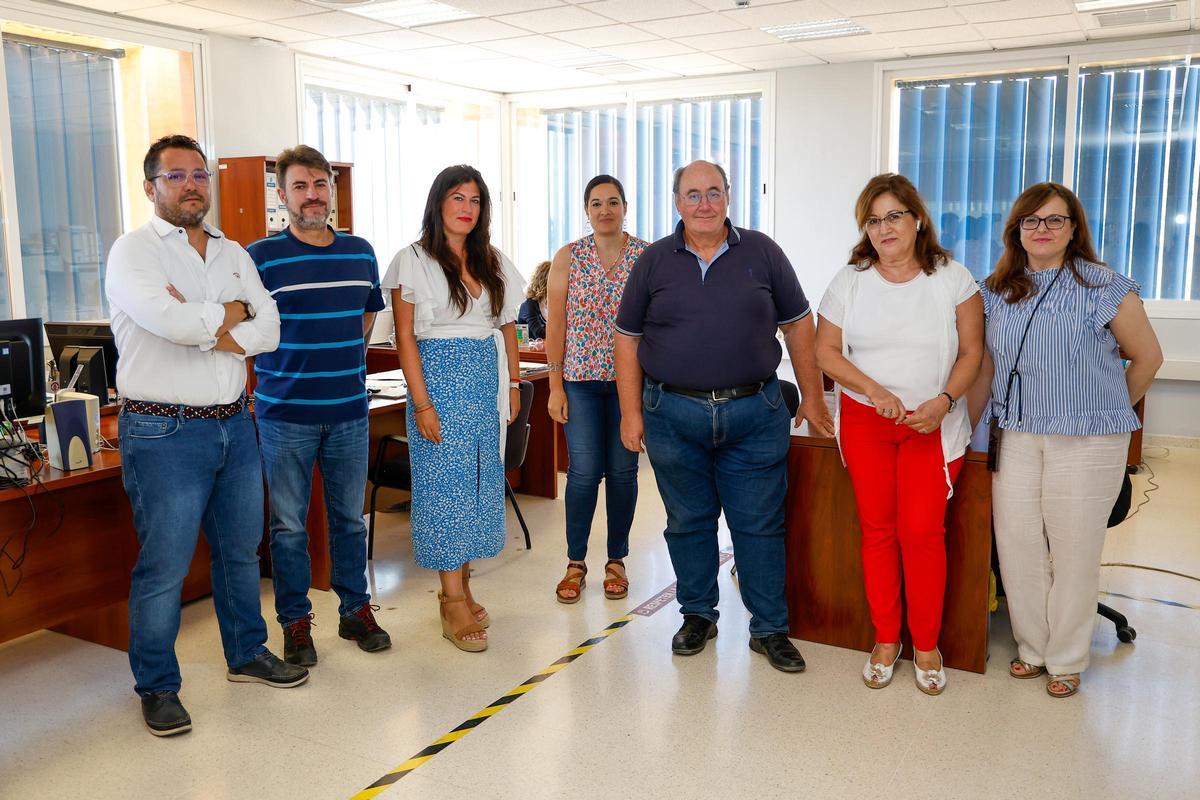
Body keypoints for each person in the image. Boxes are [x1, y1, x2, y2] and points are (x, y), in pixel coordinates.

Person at [105, 134, 305, 737]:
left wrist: (212, 319)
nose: (192, 185)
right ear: (151, 188)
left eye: (199, 174)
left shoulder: (232, 251)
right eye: (176, 176)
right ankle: (159, 687)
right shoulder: (132, 252)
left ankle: (245, 653)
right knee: (164, 566)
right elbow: (164, 319)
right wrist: (231, 313)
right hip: (163, 431)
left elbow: (270, 327)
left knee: (241, 553)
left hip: (234, 424)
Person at [614, 160, 833, 673]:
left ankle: (769, 628)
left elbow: (800, 326)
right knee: (688, 523)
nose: (704, 204)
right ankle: (697, 616)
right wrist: (630, 413)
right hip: (672, 415)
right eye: (693, 195)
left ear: (729, 197)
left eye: (714, 193)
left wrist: (814, 396)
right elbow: (627, 341)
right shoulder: (652, 262)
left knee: (758, 525)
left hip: (754, 413)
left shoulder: (762, 252)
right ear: (676, 202)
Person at [968, 182, 1162, 698]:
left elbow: (1147, 358)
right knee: (1017, 546)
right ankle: (1032, 648)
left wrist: (1109, 410)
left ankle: (1068, 657)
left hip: (1088, 440)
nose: (1042, 230)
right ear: (1016, 230)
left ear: (1074, 228)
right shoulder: (996, 289)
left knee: (1075, 549)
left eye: (1055, 220)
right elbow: (986, 367)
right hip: (1016, 434)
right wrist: (964, 425)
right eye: (1031, 221)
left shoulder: (1104, 285)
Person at [815, 173, 983, 695]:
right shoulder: (850, 280)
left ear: (917, 219)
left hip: (932, 422)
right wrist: (874, 391)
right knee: (879, 531)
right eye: (873, 219)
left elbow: (972, 352)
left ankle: (926, 643)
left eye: (893, 215)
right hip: (869, 421)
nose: (883, 227)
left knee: (923, 533)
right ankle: (887, 638)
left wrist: (943, 402)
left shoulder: (953, 277)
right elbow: (826, 353)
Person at [246, 145, 391, 667]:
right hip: (284, 414)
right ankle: (295, 622)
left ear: (332, 190)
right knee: (288, 526)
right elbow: (244, 328)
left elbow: (367, 317)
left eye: (320, 185)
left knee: (350, 519)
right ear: (282, 195)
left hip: (350, 408)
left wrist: (340, 361)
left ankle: (355, 610)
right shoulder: (260, 257)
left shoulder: (360, 251)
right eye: (300, 187)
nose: (312, 195)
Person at [383, 164, 524, 653]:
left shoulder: (492, 259)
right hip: (439, 382)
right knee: (445, 488)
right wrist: (421, 402)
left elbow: (507, 324)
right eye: (458, 198)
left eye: (475, 200)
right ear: (439, 203)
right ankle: (449, 600)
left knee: (480, 483)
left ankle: (462, 586)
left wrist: (513, 382)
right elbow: (404, 336)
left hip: (484, 379)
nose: (467, 208)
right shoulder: (413, 259)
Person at [545, 175, 650, 604]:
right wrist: (554, 384)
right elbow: (555, 324)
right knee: (585, 474)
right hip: (581, 382)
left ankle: (616, 560)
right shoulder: (568, 257)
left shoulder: (646, 256)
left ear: (625, 206)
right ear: (586, 211)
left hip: (631, 384)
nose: (604, 210)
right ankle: (575, 562)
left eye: (612, 202)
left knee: (624, 473)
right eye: (595, 203)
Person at [517, 260, 550, 340]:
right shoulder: (529, 304)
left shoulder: (550, 304)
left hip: (543, 350)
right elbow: (539, 334)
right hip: (528, 351)